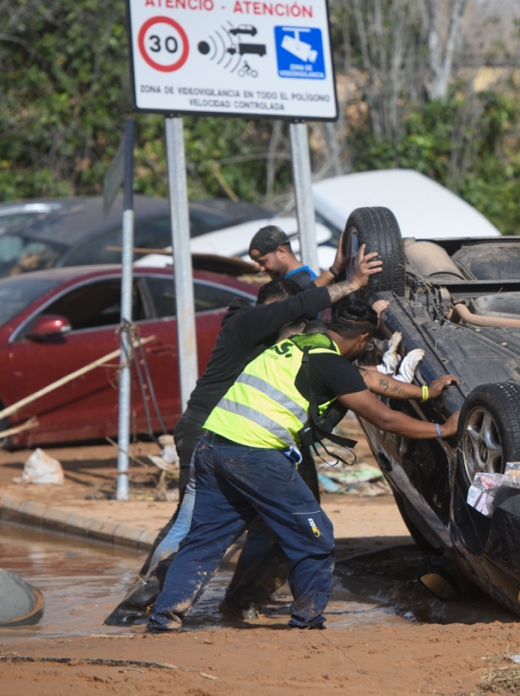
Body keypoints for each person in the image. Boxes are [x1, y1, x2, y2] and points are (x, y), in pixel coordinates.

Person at [103, 246, 382, 626]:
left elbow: (308, 311)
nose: (302, 329)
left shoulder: (280, 337)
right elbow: (299, 307)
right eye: (295, 320)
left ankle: (211, 606)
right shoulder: (250, 322)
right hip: (221, 434)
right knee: (198, 526)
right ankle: (138, 608)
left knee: (244, 529)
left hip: (235, 438)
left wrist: (338, 276)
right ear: (275, 312)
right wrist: (351, 282)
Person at [146, 300, 460, 632]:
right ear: (364, 338)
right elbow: (384, 418)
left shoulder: (298, 344)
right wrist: (443, 430)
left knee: (204, 541)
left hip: (212, 448)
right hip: (255, 456)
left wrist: (424, 392)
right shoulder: (332, 365)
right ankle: (307, 620)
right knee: (315, 537)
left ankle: (163, 618)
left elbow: (364, 378)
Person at [249, 224, 344, 290]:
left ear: (281, 251)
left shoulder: (305, 282)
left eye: (263, 262)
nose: (261, 269)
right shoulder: (287, 281)